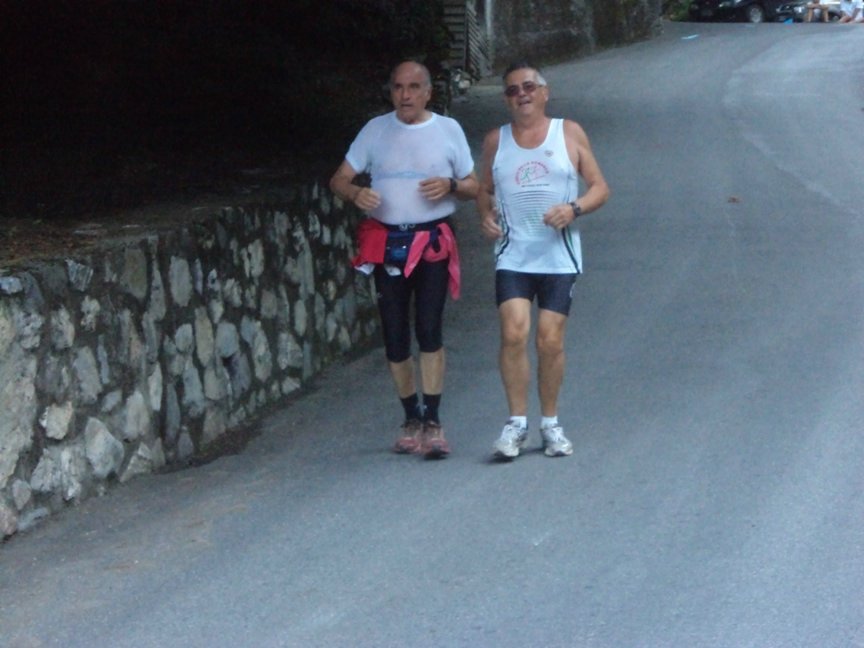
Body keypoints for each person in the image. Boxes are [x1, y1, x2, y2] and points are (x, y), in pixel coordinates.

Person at [329, 60, 478, 459]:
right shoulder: (375, 130)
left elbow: (474, 186)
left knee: (428, 328)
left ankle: (433, 421)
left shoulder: (448, 130)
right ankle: (411, 417)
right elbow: (339, 179)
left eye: (414, 87)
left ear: (428, 92)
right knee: (395, 334)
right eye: (398, 87)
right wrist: (355, 194)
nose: (405, 95)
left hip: (431, 242)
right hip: (387, 243)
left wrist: (450, 185)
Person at [477, 62, 609, 460]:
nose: (522, 94)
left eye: (529, 87)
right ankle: (516, 424)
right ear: (506, 99)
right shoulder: (496, 141)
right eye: (513, 90)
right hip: (514, 254)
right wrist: (485, 215)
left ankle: (550, 424)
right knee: (513, 333)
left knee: (549, 340)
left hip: (558, 256)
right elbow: (484, 189)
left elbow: (600, 187)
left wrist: (574, 208)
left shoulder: (568, 132)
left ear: (544, 92)